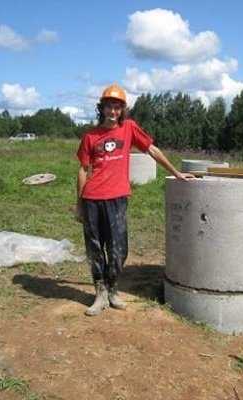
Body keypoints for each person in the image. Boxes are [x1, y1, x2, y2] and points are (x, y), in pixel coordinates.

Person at [75, 83, 194, 316]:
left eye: (117, 108)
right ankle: (100, 294)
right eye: (109, 107)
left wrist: (177, 172)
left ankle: (112, 290)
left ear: (122, 110)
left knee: (119, 250)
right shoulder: (90, 136)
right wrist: (79, 204)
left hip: (117, 198)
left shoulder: (129, 128)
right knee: (95, 249)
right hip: (92, 199)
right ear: (102, 109)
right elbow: (82, 170)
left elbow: (152, 150)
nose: (112, 112)